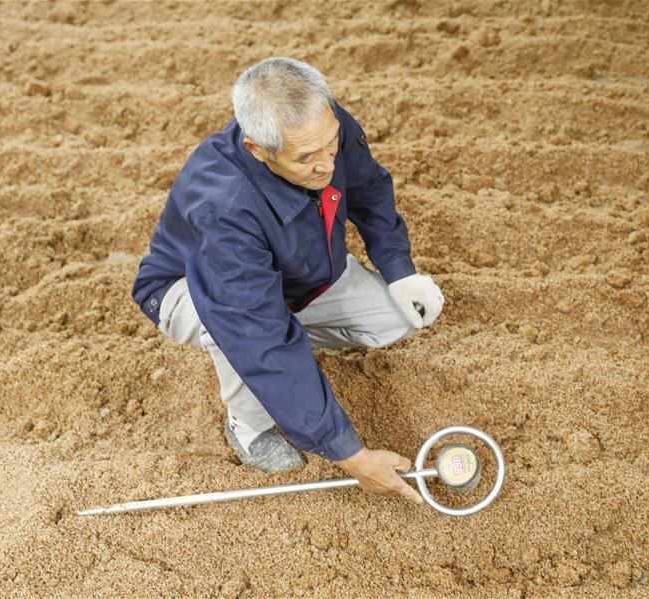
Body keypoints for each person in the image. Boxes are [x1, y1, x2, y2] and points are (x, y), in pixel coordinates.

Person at [131, 57, 444, 504]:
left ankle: (289, 353)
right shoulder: (224, 207)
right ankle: (248, 426)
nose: (326, 165)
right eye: (306, 158)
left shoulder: (318, 127)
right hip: (190, 289)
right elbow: (254, 331)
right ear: (259, 149)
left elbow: (370, 187)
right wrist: (351, 455)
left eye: (331, 145)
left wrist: (399, 270)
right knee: (241, 333)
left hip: (300, 274)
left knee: (397, 318)